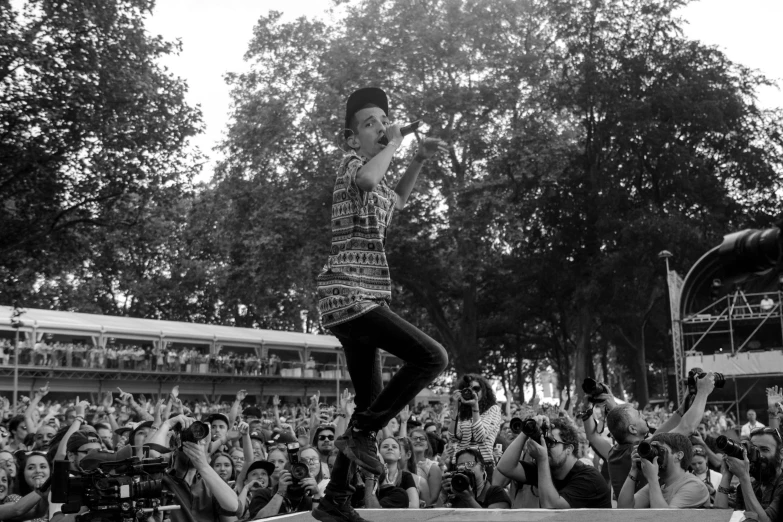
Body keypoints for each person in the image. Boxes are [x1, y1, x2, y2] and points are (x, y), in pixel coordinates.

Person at [313, 87, 449, 522]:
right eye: (369, 123)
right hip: (351, 295)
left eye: (383, 121)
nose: (379, 128)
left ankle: (334, 497)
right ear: (353, 139)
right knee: (432, 357)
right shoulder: (352, 166)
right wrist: (393, 141)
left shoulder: (374, 183)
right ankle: (362, 433)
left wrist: (419, 158)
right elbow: (371, 178)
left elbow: (398, 198)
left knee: (369, 403)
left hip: (357, 300)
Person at [585, 373, 715, 499]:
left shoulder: (616, 452)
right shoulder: (638, 452)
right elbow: (687, 427)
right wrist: (703, 392)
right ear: (632, 429)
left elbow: (660, 432)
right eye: (639, 416)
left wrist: (685, 404)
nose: (644, 416)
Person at [496, 416, 611, 508]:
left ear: (569, 449)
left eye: (550, 442)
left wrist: (542, 459)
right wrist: (525, 431)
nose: (545, 447)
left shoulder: (589, 478)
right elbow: (505, 467)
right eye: (544, 442)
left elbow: (551, 507)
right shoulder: (548, 468)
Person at [146, 414, 239, 522]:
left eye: (203, 443)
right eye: (192, 441)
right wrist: (167, 424)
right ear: (176, 446)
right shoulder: (163, 481)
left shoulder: (211, 483)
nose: (197, 445)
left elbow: (234, 507)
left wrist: (203, 466)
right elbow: (152, 456)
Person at [618, 432, 709, 509]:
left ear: (679, 455)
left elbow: (663, 518)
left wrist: (652, 479)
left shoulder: (694, 485)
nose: (655, 456)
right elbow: (624, 509)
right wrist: (633, 469)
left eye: (660, 450)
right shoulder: (660, 483)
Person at [715, 427, 783, 522]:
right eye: (754, 450)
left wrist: (743, 477)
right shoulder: (750, 485)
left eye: (764, 449)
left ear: (781, 453)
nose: (759, 455)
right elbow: (719, 516)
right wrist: (727, 475)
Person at [447, 374, 502, 469]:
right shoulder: (462, 412)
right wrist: (456, 406)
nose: (472, 391)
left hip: (482, 464)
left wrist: (475, 407)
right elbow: (453, 437)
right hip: (460, 464)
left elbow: (480, 436)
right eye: (467, 389)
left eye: (476, 388)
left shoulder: (493, 409)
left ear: (484, 391)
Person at [438, 448, 510, 509]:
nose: (464, 468)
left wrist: (469, 499)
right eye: (460, 465)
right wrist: (444, 494)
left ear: (482, 468)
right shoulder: (456, 492)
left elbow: (490, 519)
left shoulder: (496, 493)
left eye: (470, 464)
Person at [5, 451, 50, 522]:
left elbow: (39, 512)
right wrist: (43, 489)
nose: (38, 471)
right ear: (23, 473)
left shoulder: (62, 497)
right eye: (31, 468)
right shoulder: (13, 499)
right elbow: (17, 510)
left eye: (43, 467)